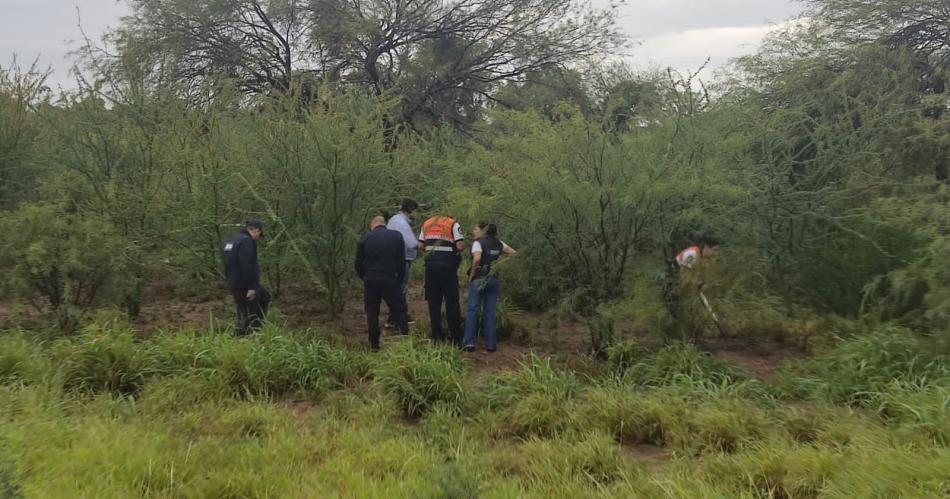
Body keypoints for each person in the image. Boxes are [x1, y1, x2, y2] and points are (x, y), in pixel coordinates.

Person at [355, 216, 409, 350]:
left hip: (371, 279)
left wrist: (364, 276)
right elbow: (401, 262)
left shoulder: (365, 238)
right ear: (384, 224)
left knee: (372, 312)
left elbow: (358, 263)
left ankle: (374, 344)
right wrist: (399, 279)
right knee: (399, 309)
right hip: (390, 278)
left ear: (372, 225)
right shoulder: (396, 236)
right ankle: (405, 339)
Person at [462, 223, 516, 353]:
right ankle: (491, 344)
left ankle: (469, 343)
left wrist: (472, 275)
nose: (474, 231)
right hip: (493, 279)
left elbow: (477, 259)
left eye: (476, 229)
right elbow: (514, 254)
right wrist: (499, 265)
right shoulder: (499, 243)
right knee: (490, 312)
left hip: (479, 279)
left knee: (473, 310)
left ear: (483, 231)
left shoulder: (478, 243)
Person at [418, 212, 465, 344]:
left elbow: (420, 245)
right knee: (452, 301)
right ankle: (455, 337)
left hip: (431, 267)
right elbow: (460, 246)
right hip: (448, 267)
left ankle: (437, 336)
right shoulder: (453, 224)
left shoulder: (427, 223)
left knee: (433, 302)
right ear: (450, 213)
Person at [664, 233, 721, 341]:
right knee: (679, 316)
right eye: (714, 250)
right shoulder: (692, 254)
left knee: (688, 315)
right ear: (706, 247)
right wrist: (693, 287)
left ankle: (689, 340)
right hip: (673, 287)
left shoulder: (703, 257)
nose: (715, 253)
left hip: (683, 287)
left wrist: (699, 285)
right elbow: (684, 277)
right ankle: (677, 342)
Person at [223, 220, 270, 336]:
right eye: (259, 234)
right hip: (245, 285)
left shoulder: (233, 240)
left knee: (248, 306)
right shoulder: (246, 241)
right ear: (256, 230)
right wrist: (252, 287)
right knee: (252, 308)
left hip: (234, 283)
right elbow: (248, 265)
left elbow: (228, 264)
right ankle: (250, 334)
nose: (258, 237)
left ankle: (245, 334)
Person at [385, 198, 419, 327]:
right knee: (401, 289)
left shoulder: (394, 220)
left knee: (395, 288)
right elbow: (412, 243)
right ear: (410, 210)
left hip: (392, 259)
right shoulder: (402, 223)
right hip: (403, 260)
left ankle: (394, 317)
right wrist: (426, 245)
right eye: (416, 211)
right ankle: (400, 317)